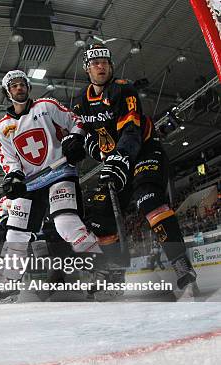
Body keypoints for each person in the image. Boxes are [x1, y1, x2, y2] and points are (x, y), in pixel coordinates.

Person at [67, 43, 197, 296]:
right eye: (95, 63)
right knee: (99, 214)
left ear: (111, 65)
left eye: (105, 61)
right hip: (116, 160)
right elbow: (85, 135)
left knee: (150, 199)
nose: (100, 66)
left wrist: (118, 158)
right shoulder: (82, 102)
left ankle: (180, 263)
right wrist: (77, 143)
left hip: (143, 152)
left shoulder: (123, 90)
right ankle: (112, 270)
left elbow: (131, 131)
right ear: (87, 69)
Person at [0, 70, 105, 301]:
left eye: (22, 84)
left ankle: (101, 270)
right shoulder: (3, 128)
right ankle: (10, 280)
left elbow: (76, 122)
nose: (19, 88)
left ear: (28, 87)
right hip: (31, 184)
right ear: (7, 92)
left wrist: (75, 139)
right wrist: (13, 177)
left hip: (59, 171)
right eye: (14, 86)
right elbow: (9, 159)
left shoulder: (46, 105)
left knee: (66, 223)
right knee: (15, 233)